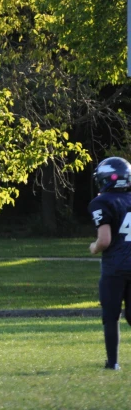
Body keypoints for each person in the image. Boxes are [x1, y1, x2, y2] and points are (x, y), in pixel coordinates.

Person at [88, 156, 131, 371]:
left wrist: (93, 247)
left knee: (111, 315)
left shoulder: (101, 202)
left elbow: (104, 240)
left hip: (116, 267)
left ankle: (113, 363)